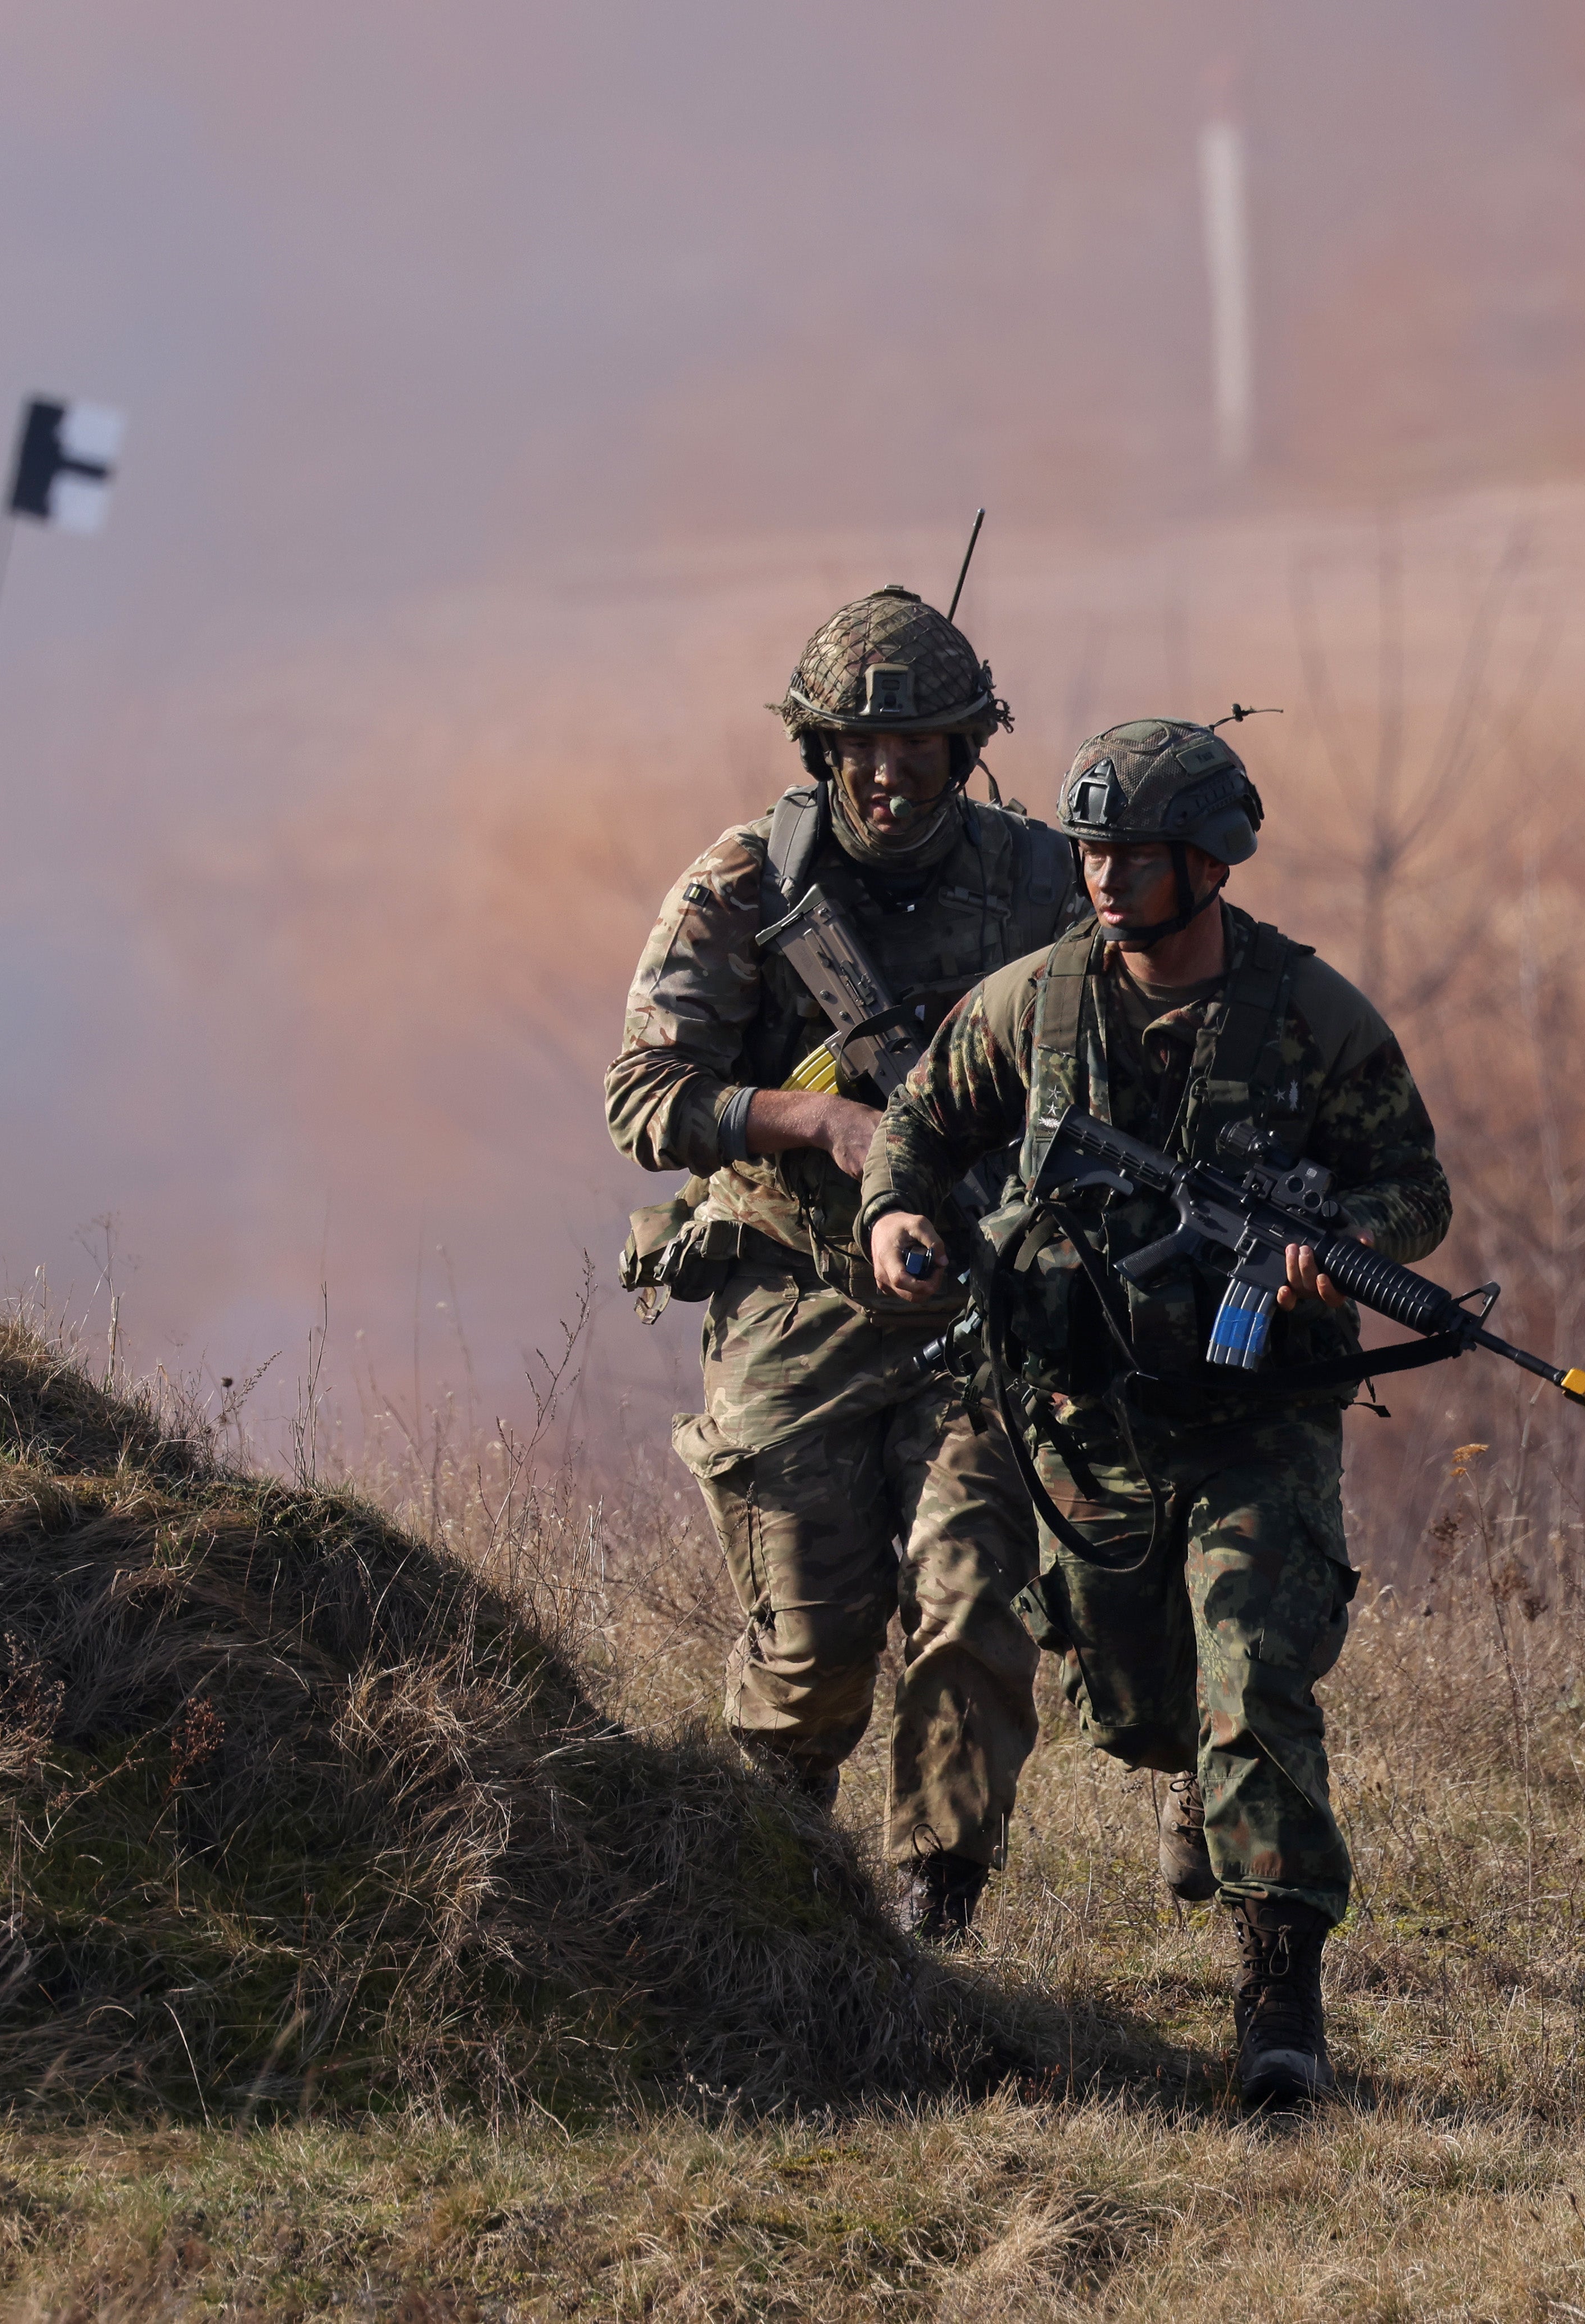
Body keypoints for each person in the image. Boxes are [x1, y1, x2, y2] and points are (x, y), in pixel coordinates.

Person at [861, 716, 1449, 2109]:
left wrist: (1338, 1243)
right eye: (1091, 850)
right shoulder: (1032, 1005)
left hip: (1250, 1412)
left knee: (1252, 1668)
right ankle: (947, 1910)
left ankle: (1279, 1996)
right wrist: (894, 1216)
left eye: (1135, 853)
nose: (1105, 875)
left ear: (1210, 861)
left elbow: (1415, 1189)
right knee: (1042, 1651)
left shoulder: (1313, 1016)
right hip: (1059, 1402)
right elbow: (919, 1125)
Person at [605, 585, 1079, 1944]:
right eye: (861, 747)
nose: (888, 773)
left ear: (964, 746)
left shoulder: (1038, 886)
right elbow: (645, 1095)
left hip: (972, 1300)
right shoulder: (749, 884)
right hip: (797, 1288)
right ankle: (773, 1914)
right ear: (818, 749)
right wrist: (817, 1121)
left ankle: (935, 1916)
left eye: (918, 744)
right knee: (812, 1656)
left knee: (974, 1600)